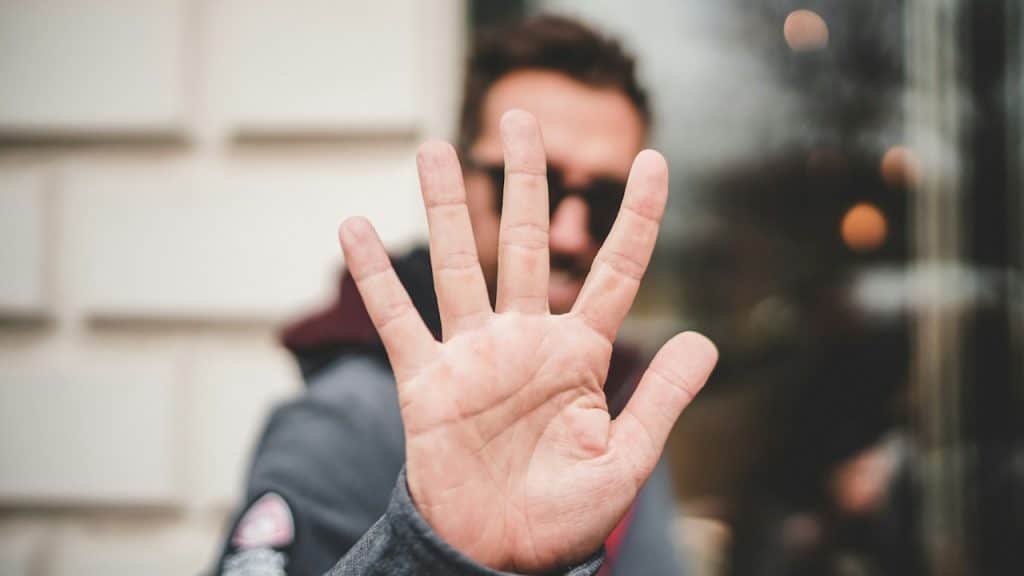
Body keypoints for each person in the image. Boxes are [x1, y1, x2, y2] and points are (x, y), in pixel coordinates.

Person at [215, 16, 718, 575]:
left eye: (604, 200)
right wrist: (428, 556)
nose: (570, 235)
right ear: (463, 177)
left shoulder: (618, 403)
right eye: (532, 185)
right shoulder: (345, 419)